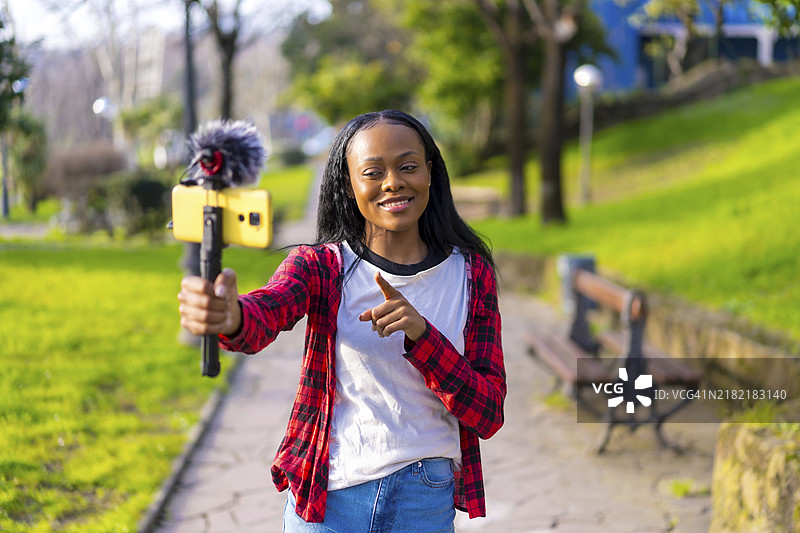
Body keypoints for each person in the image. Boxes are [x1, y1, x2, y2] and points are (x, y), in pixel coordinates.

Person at [178, 110, 506, 532]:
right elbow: (267, 311)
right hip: (329, 498)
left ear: (430, 171)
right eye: (373, 172)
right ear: (349, 186)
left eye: (408, 166)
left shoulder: (470, 273)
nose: (393, 183)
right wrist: (231, 316)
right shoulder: (323, 267)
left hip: (424, 500)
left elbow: (488, 412)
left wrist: (423, 336)